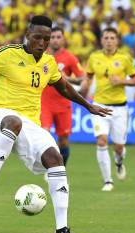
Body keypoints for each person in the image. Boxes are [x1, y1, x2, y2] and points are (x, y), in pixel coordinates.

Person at [0, 15, 111, 233]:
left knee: (55, 159)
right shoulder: (7, 53)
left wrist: (88, 106)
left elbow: (64, 87)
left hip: (29, 125)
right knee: (13, 121)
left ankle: (62, 231)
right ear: (28, 35)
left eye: (46, 39)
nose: (42, 42)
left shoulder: (49, 63)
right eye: (37, 37)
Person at [80, 27, 135, 192]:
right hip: (100, 106)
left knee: (119, 147)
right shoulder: (94, 57)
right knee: (101, 140)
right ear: (101, 40)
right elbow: (89, 76)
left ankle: (119, 162)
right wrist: (84, 85)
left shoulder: (125, 58)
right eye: (106, 37)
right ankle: (107, 181)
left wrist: (121, 81)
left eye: (112, 38)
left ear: (117, 40)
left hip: (120, 108)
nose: (109, 40)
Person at [41, 26, 84, 166]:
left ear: (63, 39)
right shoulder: (41, 55)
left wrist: (67, 78)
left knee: (63, 140)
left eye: (58, 37)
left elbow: (81, 78)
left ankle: (60, 169)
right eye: (52, 37)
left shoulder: (70, 58)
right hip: (44, 103)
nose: (55, 40)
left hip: (63, 103)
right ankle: (48, 167)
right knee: (45, 135)